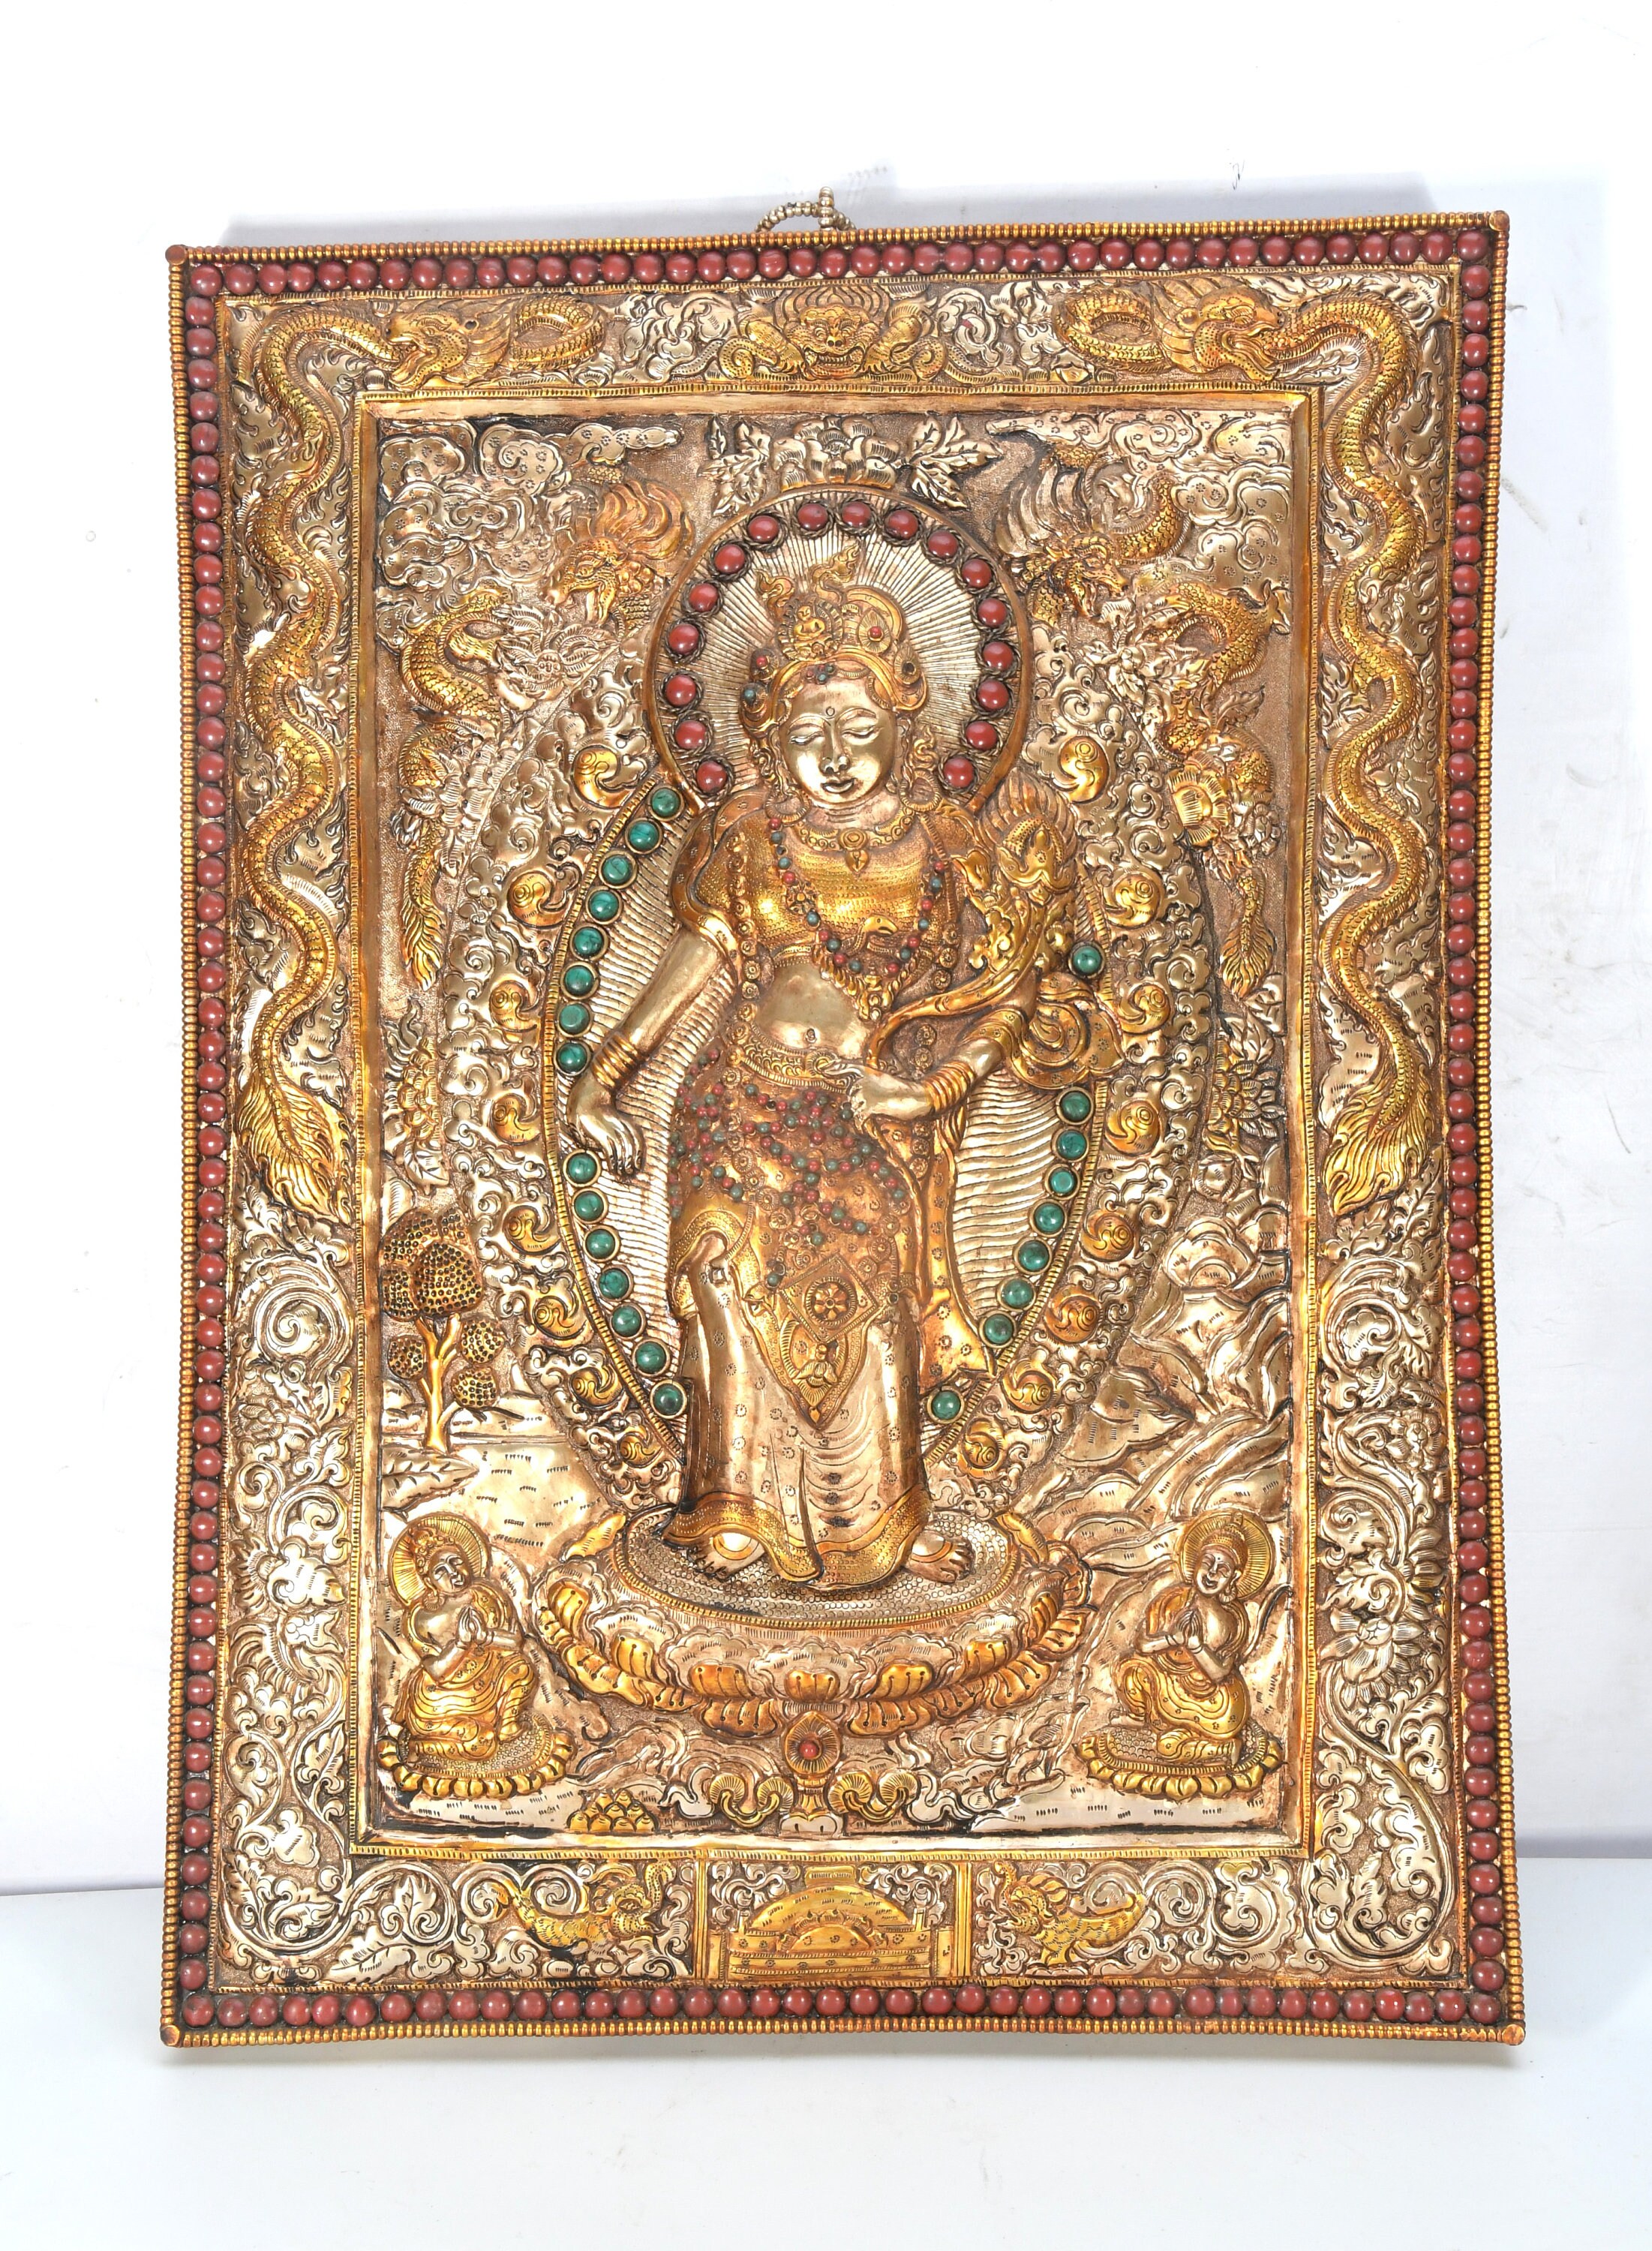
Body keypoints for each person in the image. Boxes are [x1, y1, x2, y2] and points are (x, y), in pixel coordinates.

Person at [569, 551, 1050, 1591]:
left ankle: (879, 1523)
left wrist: (931, 1091)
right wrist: (604, 1074)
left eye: (858, 729)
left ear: (904, 729)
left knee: (874, 1300)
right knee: (723, 1272)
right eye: (807, 734)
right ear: (771, 742)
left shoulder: (944, 849)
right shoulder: (752, 843)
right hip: (739, 1102)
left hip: (864, 1117)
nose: (834, 757)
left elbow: (1009, 990)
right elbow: (695, 963)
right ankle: (732, 1507)